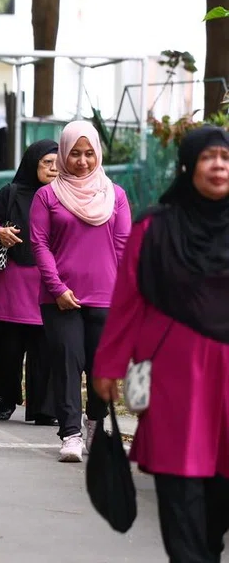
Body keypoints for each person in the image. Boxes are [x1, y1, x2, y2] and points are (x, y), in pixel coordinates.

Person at [92, 126, 229, 562]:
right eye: (208, 157)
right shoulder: (154, 227)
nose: (219, 166)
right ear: (188, 166)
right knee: (179, 478)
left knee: (221, 491)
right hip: (176, 376)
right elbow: (128, 299)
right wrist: (108, 365)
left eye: (225, 158)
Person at [30, 121, 131, 463]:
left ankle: (93, 422)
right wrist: (57, 287)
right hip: (60, 297)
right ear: (63, 154)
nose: (83, 161)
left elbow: (123, 246)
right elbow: (39, 244)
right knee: (66, 362)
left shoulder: (115, 195)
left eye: (89, 154)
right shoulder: (47, 196)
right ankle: (70, 433)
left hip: (107, 297)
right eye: (75, 153)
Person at [0, 140, 59, 424]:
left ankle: (44, 408)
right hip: (12, 285)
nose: (53, 168)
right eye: (47, 162)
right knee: (9, 349)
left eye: (57, 162)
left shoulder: (67, 194)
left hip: (49, 283)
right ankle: (7, 398)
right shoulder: (10, 193)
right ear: (32, 163)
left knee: (45, 349)